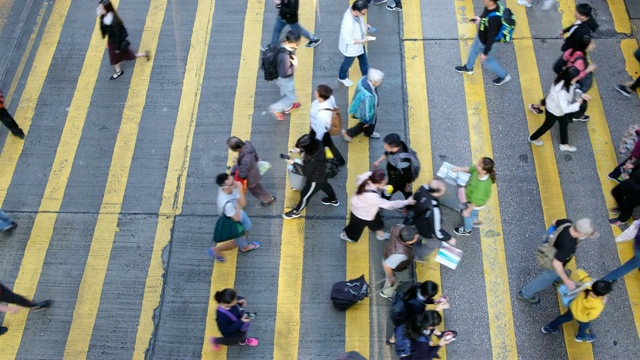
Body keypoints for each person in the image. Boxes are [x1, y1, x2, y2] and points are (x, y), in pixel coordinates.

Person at [517, 218, 598, 304]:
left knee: (558, 271)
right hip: (553, 263)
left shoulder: (567, 223)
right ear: (581, 233)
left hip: (551, 250)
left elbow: (553, 222)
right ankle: (525, 294)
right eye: (586, 235)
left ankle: (558, 277)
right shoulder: (569, 246)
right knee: (544, 280)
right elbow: (556, 263)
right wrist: (567, 281)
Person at [529, 35, 596, 120]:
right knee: (565, 98)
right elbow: (577, 76)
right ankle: (576, 115)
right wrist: (588, 70)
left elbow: (564, 60)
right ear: (585, 46)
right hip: (570, 82)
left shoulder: (572, 50)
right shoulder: (580, 60)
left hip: (563, 77)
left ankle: (535, 106)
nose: (594, 46)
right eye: (592, 44)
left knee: (553, 98)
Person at [341, 169, 415, 242]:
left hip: (370, 210)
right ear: (377, 183)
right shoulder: (372, 196)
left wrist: (383, 187)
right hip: (360, 214)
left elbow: (360, 178)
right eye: (383, 183)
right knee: (355, 228)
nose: (385, 183)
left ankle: (380, 235)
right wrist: (407, 202)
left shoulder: (369, 175)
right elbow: (389, 205)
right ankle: (346, 235)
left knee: (377, 223)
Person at [527, 68, 591, 152]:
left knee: (563, 124)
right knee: (547, 126)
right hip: (554, 111)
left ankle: (564, 144)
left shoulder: (562, 80)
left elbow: (573, 88)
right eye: (576, 78)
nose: (577, 79)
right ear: (570, 78)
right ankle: (533, 138)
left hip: (554, 108)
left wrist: (581, 94)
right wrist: (578, 103)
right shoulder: (562, 92)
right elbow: (565, 108)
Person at [454, 0, 511, 86]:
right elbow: (486, 15)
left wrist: (485, 53)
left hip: (485, 43)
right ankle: (468, 67)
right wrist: (480, 18)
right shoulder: (492, 6)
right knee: (473, 50)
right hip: (480, 37)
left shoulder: (493, 19)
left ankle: (504, 75)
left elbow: (491, 39)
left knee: (489, 61)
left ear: (492, 1)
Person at [541, 274, 612, 343]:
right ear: (602, 294)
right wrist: (603, 301)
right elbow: (592, 316)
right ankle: (581, 336)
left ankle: (549, 327)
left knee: (564, 317)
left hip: (573, 307)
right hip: (581, 317)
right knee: (584, 325)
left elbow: (582, 275)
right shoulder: (598, 304)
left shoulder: (588, 286)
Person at [283, 134, 339, 219]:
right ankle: (333, 200)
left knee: (305, 195)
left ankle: (296, 211)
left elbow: (304, 171)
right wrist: (300, 150)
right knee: (324, 185)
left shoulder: (312, 160)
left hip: (315, 179)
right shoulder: (318, 143)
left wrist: (292, 161)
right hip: (323, 172)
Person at [208, 173, 261, 262]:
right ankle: (217, 250)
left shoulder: (231, 187)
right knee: (238, 241)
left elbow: (243, 203)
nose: (235, 183)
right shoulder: (226, 203)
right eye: (232, 183)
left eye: (233, 179)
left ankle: (243, 242)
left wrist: (239, 189)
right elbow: (236, 218)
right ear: (225, 186)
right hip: (234, 220)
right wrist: (238, 204)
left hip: (239, 213)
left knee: (247, 227)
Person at [97, 0, 149, 80]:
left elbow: (118, 36)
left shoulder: (114, 21)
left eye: (101, 8)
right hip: (113, 42)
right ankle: (144, 54)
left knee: (119, 58)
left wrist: (117, 48)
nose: (99, 9)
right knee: (127, 56)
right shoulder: (105, 16)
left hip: (116, 43)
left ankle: (119, 71)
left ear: (107, 9)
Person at [408, 181, 457, 261]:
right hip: (427, 231)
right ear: (437, 192)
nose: (444, 190)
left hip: (417, 221)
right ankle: (415, 254)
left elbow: (414, 199)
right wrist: (449, 238)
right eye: (443, 190)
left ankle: (413, 243)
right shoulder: (434, 210)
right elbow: (437, 232)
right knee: (431, 245)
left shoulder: (423, 187)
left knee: (417, 236)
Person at [452, 158, 496, 236]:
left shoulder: (482, 186)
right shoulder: (478, 171)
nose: (476, 165)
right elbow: (471, 169)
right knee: (473, 214)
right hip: (471, 200)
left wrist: (467, 211)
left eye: (479, 165)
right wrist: (459, 169)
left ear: (484, 171)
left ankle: (467, 230)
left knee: (467, 216)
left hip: (474, 204)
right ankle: (475, 222)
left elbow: (476, 201)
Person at [227, 137, 276, 206]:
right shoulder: (248, 145)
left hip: (251, 177)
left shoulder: (245, 159)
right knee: (257, 188)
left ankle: (268, 199)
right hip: (254, 169)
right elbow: (255, 155)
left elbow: (242, 174)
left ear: (236, 149)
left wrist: (236, 164)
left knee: (256, 190)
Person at [372, 133, 418, 201]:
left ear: (392, 147)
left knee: (387, 192)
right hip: (395, 175)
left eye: (386, 145)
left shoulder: (403, 161)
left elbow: (408, 173)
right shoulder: (399, 144)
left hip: (397, 179)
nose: (384, 146)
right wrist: (378, 161)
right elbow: (387, 153)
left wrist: (407, 184)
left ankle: (383, 203)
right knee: (406, 192)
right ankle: (409, 206)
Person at [341, 68, 384, 141]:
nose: (381, 81)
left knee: (367, 123)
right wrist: (368, 121)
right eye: (379, 80)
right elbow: (368, 111)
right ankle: (349, 134)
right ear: (373, 81)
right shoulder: (368, 97)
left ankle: (368, 132)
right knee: (365, 123)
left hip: (361, 105)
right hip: (367, 110)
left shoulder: (364, 80)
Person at [380, 225, 420, 300]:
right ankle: (387, 293)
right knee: (393, 281)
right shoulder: (401, 253)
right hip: (394, 266)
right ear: (408, 241)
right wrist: (391, 276)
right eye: (416, 238)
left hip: (389, 254)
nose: (417, 239)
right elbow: (387, 265)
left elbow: (392, 228)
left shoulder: (398, 227)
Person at [309, 84, 345, 166]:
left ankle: (315, 160)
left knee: (324, 144)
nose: (315, 92)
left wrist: (317, 141)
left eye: (317, 92)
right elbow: (335, 106)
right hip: (318, 127)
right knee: (329, 144)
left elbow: (320, 130)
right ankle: (340, 160)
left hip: (320, 130)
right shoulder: (330, 98)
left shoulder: (322, 114)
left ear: (321, 96)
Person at [338, 1, 372, 87]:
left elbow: (358, 21)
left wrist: (364, 25)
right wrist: (362, 40)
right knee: (347, 64)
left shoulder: (354, 12)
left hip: (359, 45)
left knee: (364, 61)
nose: (363, 15)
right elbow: (347, 39)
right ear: (356, 11)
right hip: (351, 49)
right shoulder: (348, 23)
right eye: (363, 13)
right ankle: (342, 77)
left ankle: (366, 77)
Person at [269, 30, 301, 121]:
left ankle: (288, 107)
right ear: (294, 43)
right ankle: (275, 108)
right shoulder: (284, 57)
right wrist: (294, 64)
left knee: (285, 92)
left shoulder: (282, 43)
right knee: (291, 96)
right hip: (284, 78)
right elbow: (286, 73)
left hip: (278, 75)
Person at [608, 159, 640, 226]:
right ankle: (621, 208)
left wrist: (628, 180)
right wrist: (633, 164)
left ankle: (623, 219)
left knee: (628, 205)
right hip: (633, 180)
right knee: (616, 192)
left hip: (636, 192)